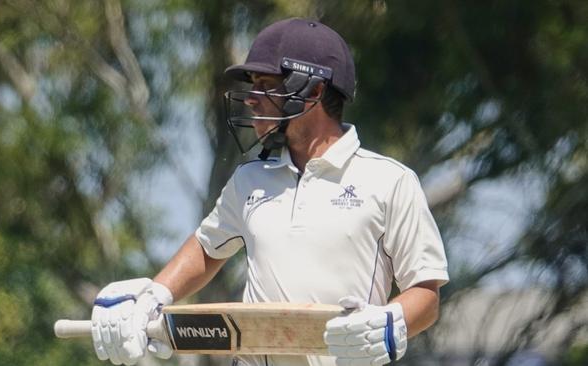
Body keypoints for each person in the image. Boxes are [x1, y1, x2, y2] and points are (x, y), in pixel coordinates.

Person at [90, 18, 449, 366]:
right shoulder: (250, 179)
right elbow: (207, 246)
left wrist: (390, 324)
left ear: (315, 90)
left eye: (266, 84)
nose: (251, 99)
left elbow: (426, 292)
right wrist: (155, 296)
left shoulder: (389, 180)